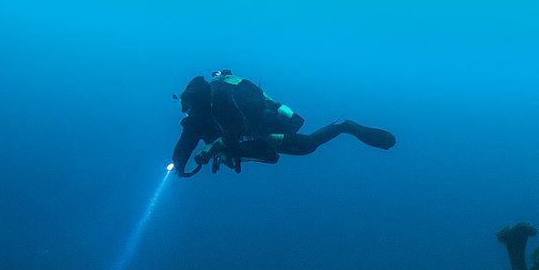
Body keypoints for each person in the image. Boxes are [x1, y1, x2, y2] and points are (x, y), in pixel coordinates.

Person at [170, 70, 396, 176]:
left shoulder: (223, 99)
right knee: (305, 146)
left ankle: (346, 126)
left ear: (196, 101)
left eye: (189, 108)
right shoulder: (201, 114)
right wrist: (178, 162)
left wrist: (217, 146)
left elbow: (240, 125)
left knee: (306, 146)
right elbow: (187, 138)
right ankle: (345, 127)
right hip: (248, 139)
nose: (188, 113)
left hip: (261, 131)